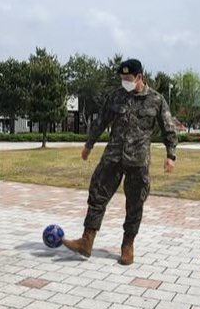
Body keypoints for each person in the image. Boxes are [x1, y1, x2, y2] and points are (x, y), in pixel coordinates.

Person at [62, 58, 177, 266]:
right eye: (122, 78)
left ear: (139, 77)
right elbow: (101, 121)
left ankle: (127, 246)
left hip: (138, 161)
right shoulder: (116, 97)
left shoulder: (156, 100)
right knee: (97, 195)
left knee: (135, 204)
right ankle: (86, 241)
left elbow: (169, 127)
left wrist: (171, 155)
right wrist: (88, 145)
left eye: (128, 78)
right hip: (113, 157)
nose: (124, 82)